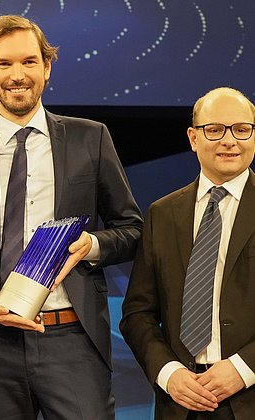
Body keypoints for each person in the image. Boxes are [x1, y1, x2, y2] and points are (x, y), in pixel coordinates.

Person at [0, 15, 143, 419]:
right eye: (4, 64)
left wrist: (91, 245)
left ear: (46, 68)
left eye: (29, 62)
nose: (17, 75)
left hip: (72, 339)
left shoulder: (90, 138)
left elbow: (131, 229)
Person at [121, 87, 255, 420]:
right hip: (181, 403)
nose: (229, 140)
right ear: (193, 138)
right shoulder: (162, 214)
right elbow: (138, 312)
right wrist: (168, 373)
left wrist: (243, 368)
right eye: (215, 130)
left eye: (241, 129)